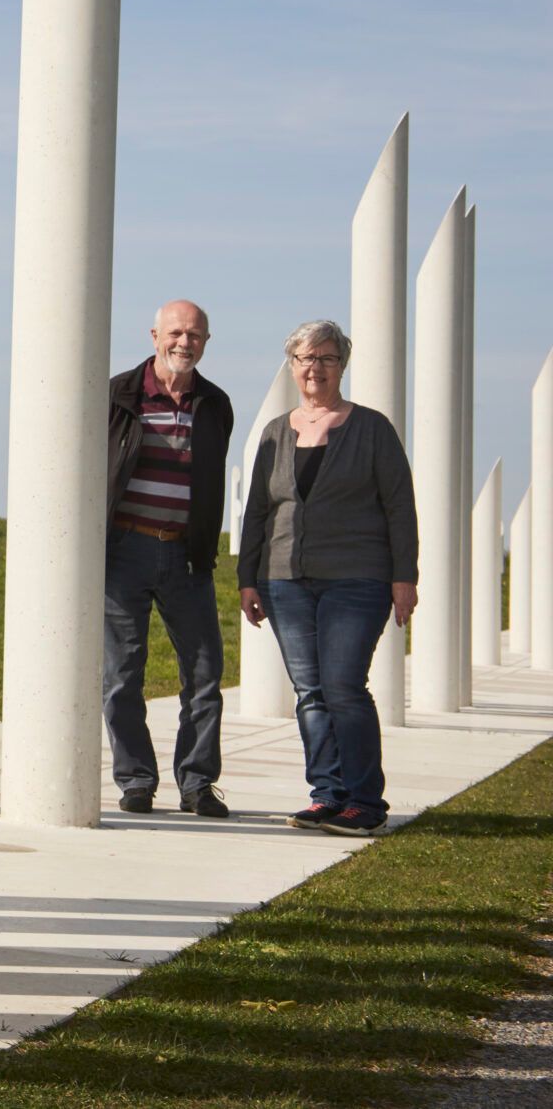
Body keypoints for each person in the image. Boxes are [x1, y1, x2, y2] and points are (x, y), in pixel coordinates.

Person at [237, 320, 418, 837]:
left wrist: (404, 576)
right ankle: (328, 795)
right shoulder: (276, 432)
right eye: (305, 358)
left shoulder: (372, 428)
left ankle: (365, 802)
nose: (315, 367)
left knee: (343, 686)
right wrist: (248, 578)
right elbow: (258, 510)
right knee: (310, 691)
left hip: (358, 578)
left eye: (327, 358)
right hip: (284, 580)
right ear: (292, 365)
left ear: (343, 365)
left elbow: (399, 506)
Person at [102, 299, 237, 816]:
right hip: (124, 549)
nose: (185, 342)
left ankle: (197, 784)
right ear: (154, 335)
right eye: (176, 332)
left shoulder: (215, 404)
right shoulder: (117, 394)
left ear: (207, 342)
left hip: (187, 553)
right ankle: (136, 780)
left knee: (204, 674)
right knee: (122, 675)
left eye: (195, 335)